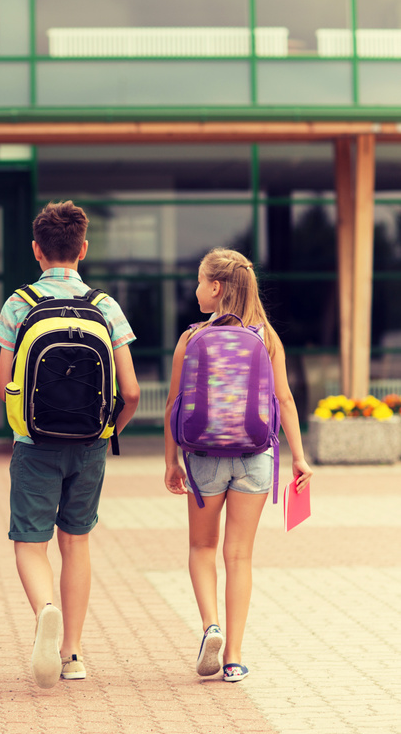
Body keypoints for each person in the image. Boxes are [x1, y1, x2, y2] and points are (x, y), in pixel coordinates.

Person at [0, 201, 140, 688]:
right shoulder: (105, 306)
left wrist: (26, 425)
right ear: (84, 248)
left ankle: (45, 609)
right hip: (92, 442)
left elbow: (5, 386)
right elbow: (132, 390)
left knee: (29, 543)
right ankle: (72, 653)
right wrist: (108, 430)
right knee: (76, 542)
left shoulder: (19, 304)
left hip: (33, 442)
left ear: (36, 250)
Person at [163, 248, 312, 683]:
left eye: (198, 281)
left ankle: (210, 624)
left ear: (216, 288)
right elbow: (284, 400)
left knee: (201, 549)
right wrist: (300, 456)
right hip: (254, 457)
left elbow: (174, 403)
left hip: (204, 458)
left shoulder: (191, 338)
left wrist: (171, 460)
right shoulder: (266, 337)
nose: (194, 289)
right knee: (240, 556)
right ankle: (233, 657)